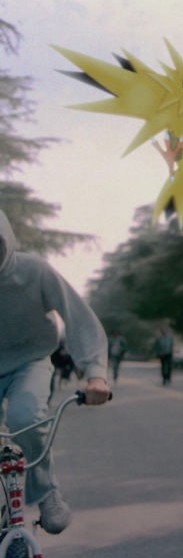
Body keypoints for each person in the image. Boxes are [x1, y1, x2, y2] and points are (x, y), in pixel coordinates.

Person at [0, 209, 112, 535]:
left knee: (25, 417)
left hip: (30, 360)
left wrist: (95, 374)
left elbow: (78, 318)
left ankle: (46, 493)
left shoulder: (34, 271)